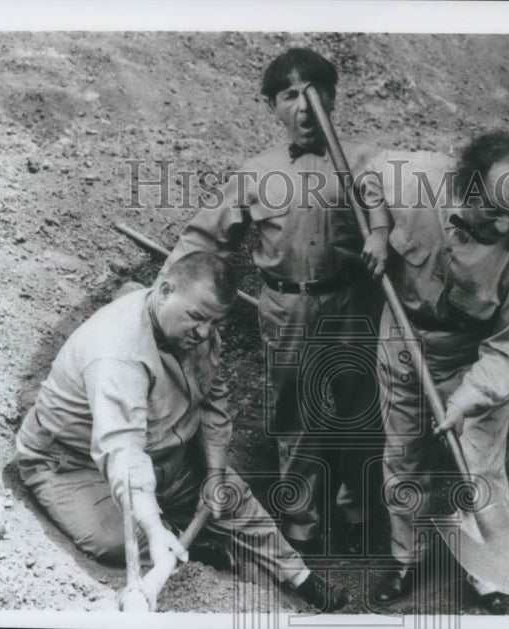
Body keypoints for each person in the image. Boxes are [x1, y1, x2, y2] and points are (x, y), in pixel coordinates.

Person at [14, 251, 350, 612]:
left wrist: (215, 476)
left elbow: (213, 402)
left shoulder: (199, 333)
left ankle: (300, 578)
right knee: (113, 539)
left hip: (164, 451)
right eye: (196, 317)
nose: (204, 332)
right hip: (73, 462)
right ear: (164, 291)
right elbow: (122, 452)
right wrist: (154, 529)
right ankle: (182, 541)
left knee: (233, 498)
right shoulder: (116, 353)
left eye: (214, 322)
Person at [160, 47, 389, 557]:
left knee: (357, 408)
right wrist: (164, 288)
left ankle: (358, 515)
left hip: (354, 305)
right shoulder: (256, 172)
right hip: (286, 310)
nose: (305, 107)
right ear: (272, 106)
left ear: (333, 98)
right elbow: (205, 237)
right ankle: (301, 525)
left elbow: (408, 221)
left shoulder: (371, 162)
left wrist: (382, 233)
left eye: (315, 93)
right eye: (291, 95)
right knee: (297, 414)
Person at [370, 130, 509, 612]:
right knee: (404, 456)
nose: (500, 223)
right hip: (404, 335)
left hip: (473, 354)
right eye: (491, 208)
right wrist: (376, 229)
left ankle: (485, 569)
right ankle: (404, 559)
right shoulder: (418, 180)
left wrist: (465, 399)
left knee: (478, 466)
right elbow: (366, 175)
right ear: (469, 185)